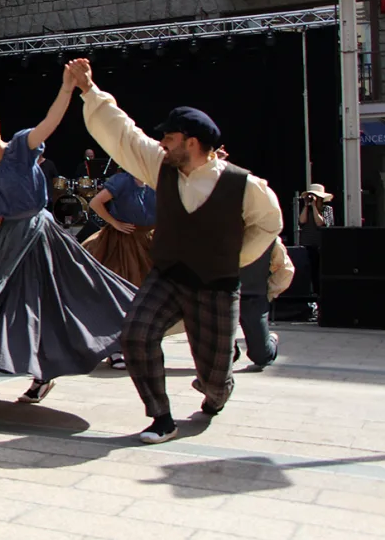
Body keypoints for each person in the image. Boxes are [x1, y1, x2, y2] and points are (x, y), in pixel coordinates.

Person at [69, 57, 283, 444]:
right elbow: (124, 135)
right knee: (136, 334)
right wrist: (88, 90)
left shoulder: (244, 185)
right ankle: (161, 418)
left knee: (214, 376)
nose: (162, 143)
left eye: (169, 138)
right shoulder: (160, 165)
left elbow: (269, 223)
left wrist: (234, 259)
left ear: (192, 142)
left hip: (216, 286)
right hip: (166, 275)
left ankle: (218, 392)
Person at [0, 66, 137, 405]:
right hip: (6, 238)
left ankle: (43, 377)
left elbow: (50, 122)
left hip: (38, 234)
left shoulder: (21, 147)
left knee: (42, 304)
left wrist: (67, 88)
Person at [82, 172, 163, 369]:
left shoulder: (156, 180)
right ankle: (116, 349)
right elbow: (95, 203)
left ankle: (141, 345)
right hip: (123, 242)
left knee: (151, 297)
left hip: (149, 240)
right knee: (121, 295)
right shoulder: (122, 180)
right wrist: (114, 223)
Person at [234, 237, 293, 370]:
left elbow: (285, 270)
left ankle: (270, 339)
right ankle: (230, 349)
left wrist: (269, 292)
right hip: (222, 296)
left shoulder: (268, 236)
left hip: (253, 296)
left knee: (261, 357)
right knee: (218, 357)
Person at [298, 183, 333, 295]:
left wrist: (314, 207)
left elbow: (320, 223)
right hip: (307, 245)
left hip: (320, 246)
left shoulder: (327, 209)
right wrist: (307, 205)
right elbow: (301, 221)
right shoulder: (306, 210)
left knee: (319, 272)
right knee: (307, 272)